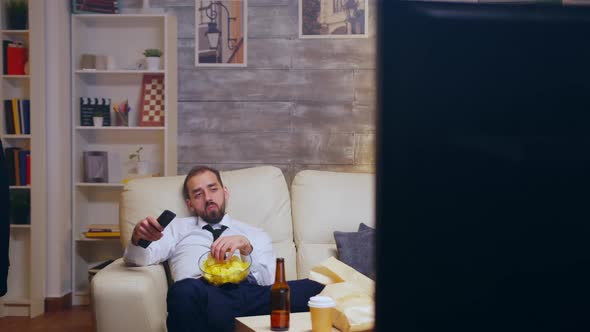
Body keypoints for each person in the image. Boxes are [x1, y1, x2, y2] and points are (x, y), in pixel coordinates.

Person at [124, 165, 324, 332]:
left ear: (225, 192)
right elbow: (139, 259)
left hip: (250, 295)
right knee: (183, 290)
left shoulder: (254, 233)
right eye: (198, 194)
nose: (208, 198)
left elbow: (269, 282)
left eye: (213, 189)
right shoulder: (177, 228)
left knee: (316, 289)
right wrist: (138, 239)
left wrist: (247, 249)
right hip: (202, 294)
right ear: (190, 204)